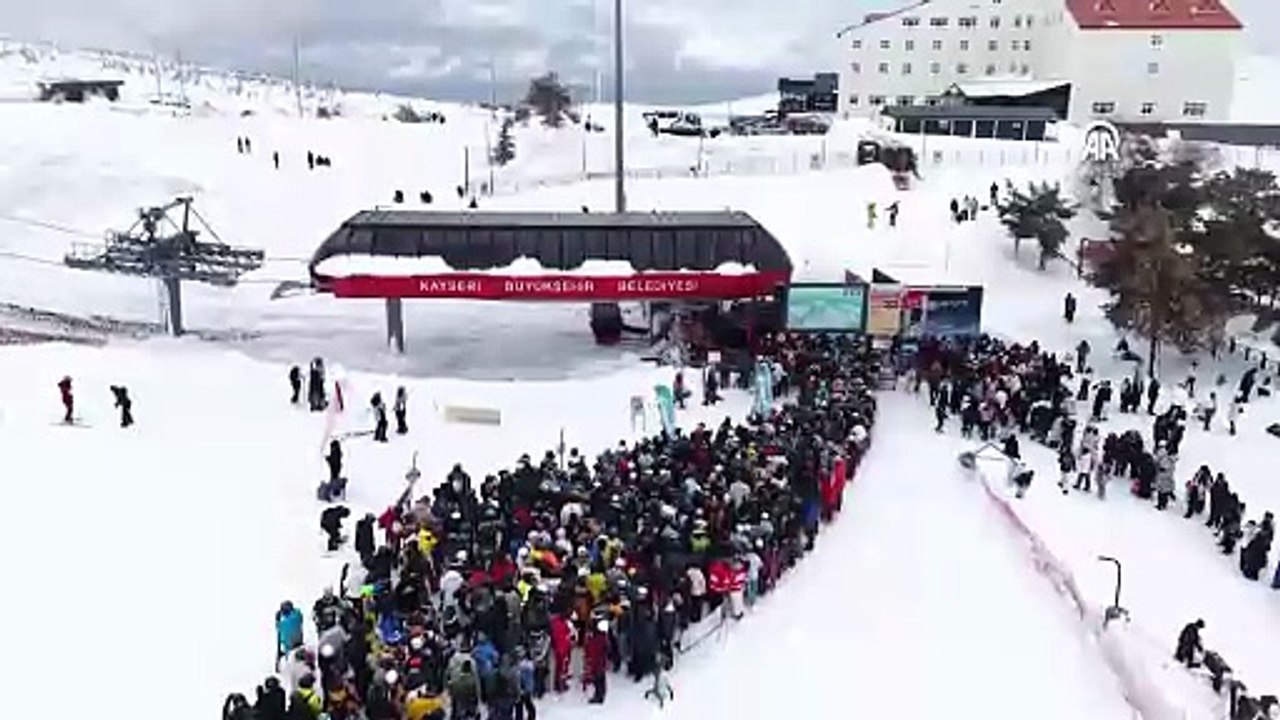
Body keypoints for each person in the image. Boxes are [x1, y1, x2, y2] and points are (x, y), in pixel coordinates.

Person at [584, 619, 609, 704]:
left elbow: (592, 650)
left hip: (597, 662)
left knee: (598, 679)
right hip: (600, 662)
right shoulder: (603, 637)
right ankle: (601, 694)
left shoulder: (596, 638)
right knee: (601, 678)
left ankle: (599, 696)